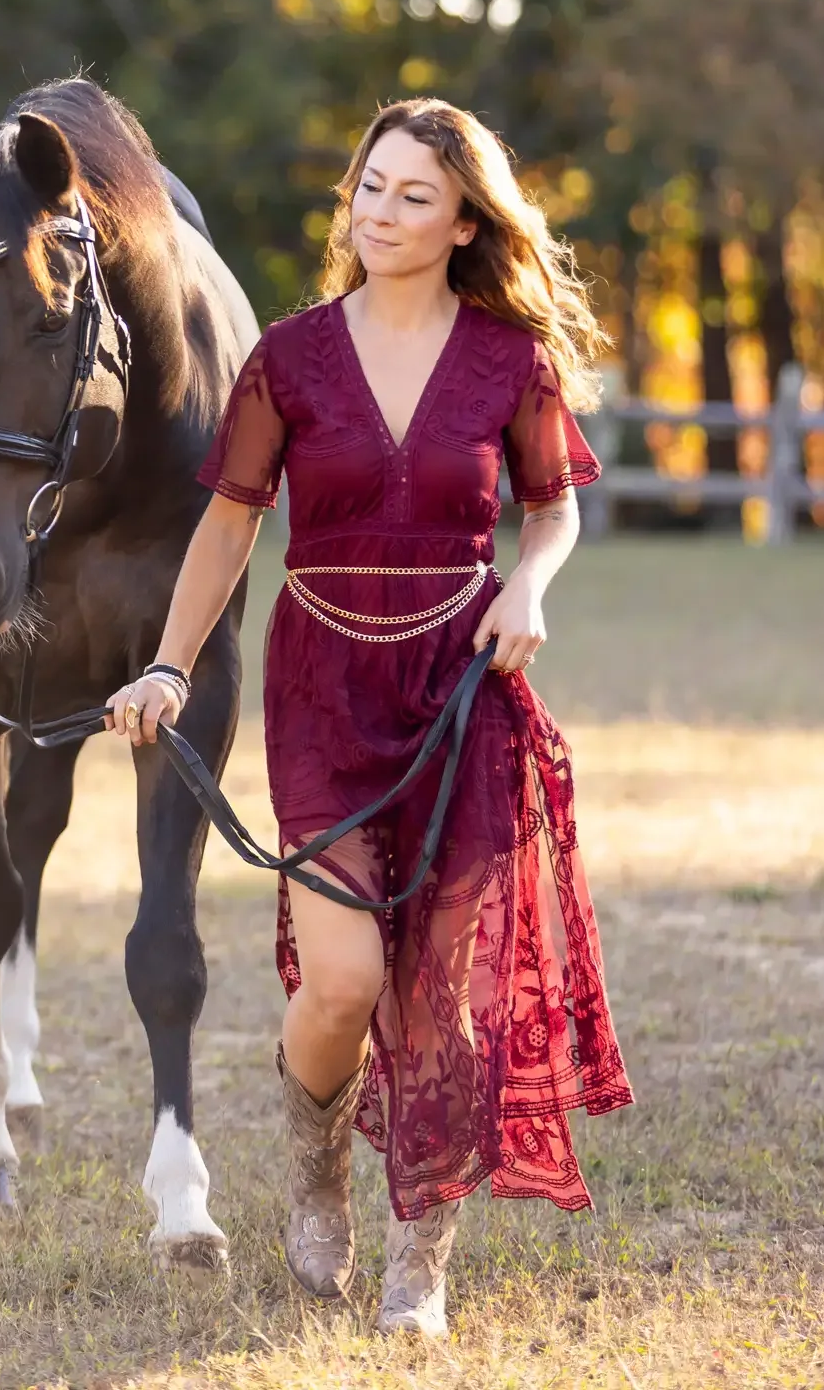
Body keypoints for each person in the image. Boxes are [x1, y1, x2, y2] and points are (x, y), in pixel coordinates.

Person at [108, 98, 632, 1336]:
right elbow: (230, 521)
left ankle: (420, 1255)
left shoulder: (508, 360)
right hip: (322, 682)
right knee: (342, 978)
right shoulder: (287, 357)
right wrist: (169, 665)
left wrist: (525, 584)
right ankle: (316, 1174)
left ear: (463, 221)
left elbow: (550, 508)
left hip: (460, 684)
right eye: (369, 185)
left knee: (439, 984)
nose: (380, 212)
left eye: (412, 195)